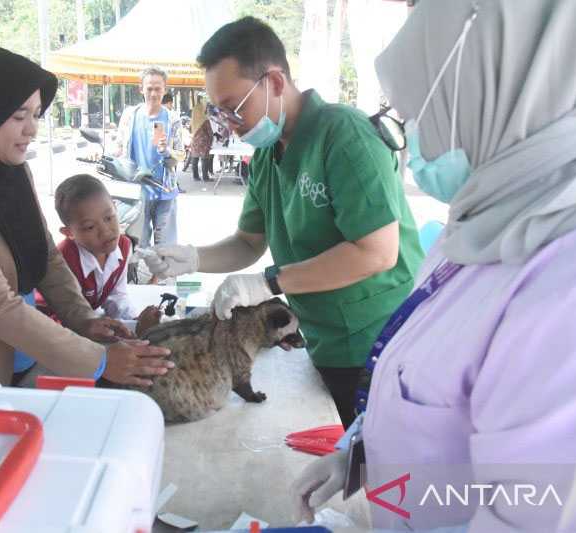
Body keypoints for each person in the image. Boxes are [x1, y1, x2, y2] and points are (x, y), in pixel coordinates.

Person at [291, 0, 576, 530]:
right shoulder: (493, 214)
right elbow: (427, 376)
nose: (413, 145)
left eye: (420, 113)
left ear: (490, 87)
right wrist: (359, 452)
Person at [142, 17, 424, 428]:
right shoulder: (268, 156)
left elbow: (377, 252)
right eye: (220, 112)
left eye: (233, 107)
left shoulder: (343, 135)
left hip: (380, 341)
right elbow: (247, 241)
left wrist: (269, 283)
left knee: (380, 466)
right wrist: (191, 258)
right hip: (325, 338)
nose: (229, 122)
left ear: (274, 82)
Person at [0, 45, 173, 388]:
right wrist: (97, 360)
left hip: (22, 355)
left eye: (36, 114)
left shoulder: (10, 171)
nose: (31, 130)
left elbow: (45, 256)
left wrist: (82, 318)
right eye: (18, 116)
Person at [35, 174, 134, 320]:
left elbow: (116, 296)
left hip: (86, 323)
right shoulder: (62, 262)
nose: (106, 231)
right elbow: (62, 316)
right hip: (50, 322)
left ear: (115, 207)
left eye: (109, 218)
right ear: (69, 233)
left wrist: (134, 320)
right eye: (90, 227)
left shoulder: (123, 246)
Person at [113, 67, 184, 248]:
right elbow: (119, 147)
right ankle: (136, 274)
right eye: (149, 88)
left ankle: (158, 277)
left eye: (158, 89)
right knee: (137, 242)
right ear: (141, 89)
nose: (153, 93)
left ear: (165, 89)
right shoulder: (130, 116)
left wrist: (167, 151)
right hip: (136, 190)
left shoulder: (172, 119)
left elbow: (180, 154)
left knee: (165, 244)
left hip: (164, 190)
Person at [189, 96, 214, 182]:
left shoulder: (193, 120)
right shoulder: (204, 119)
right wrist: (211, 140)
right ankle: (205, 177)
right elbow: (210, 132)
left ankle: (195, 176)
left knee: (195, 158)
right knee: (204, 159)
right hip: (204, 142)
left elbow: (190, 129)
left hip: (195, 141)